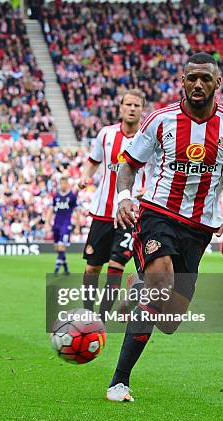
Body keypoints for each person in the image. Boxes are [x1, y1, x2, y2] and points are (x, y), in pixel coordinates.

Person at [107, 52, 223, 402]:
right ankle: (119, 382)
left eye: (205, 78)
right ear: (182, 81)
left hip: (200, 229)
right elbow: (128, 165)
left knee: (169, 321)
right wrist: (124, 198)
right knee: (160, 285)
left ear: (217, 83)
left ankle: (137, 288)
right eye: (192, 78)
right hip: (158, 214)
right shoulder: (159, 121)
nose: (198, 84)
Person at [78, 89, 148, 320]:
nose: (132, 109)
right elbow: (93, 161)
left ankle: (102, 317)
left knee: (117, 265)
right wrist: (85, 177)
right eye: (128, 104)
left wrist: (147, 189)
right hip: (102, 211)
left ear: (142, 110)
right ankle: (88, 313)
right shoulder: (106, 134)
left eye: (136, 105)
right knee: (92, 269)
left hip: (129, 213)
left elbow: (157, 170)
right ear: (120, 107)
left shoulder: (148, 137)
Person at [47, 176, 77, 275]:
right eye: (61, 183)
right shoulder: (56, 196)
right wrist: (47, 222)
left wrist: (77, 226)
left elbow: (75, 211)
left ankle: (56, 269)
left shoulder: (72, 196)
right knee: (57, 247)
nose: (63, 185)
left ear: (67, 184)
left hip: (66, 224)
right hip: (56, 224)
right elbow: (51, 209)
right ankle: (66, 268)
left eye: (65, 183)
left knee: (61, 246)